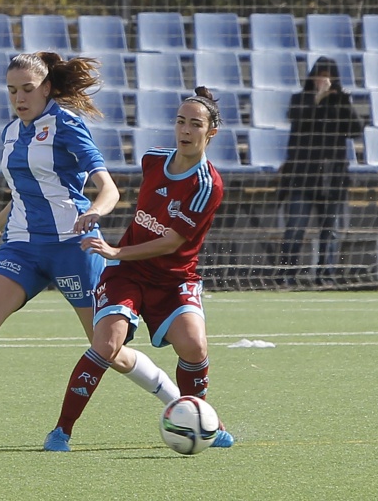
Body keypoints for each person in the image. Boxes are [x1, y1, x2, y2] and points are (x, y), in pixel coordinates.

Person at [0, 52, 179, 450]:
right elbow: (25, 189)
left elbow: (109, 188)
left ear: (47, 88)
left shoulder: (67, 125)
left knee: (108, 349)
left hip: (73, 247)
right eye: (11, 90)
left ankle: (179, 403)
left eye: (27, 89)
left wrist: (93, 211)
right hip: (21, 246)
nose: (19, 98)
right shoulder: (11, 131)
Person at [43, 86, 235, 452]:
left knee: (194, 346)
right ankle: (61, 432)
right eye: (180, 121)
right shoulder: (152, 160)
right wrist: (100, 222)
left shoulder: (207, 186)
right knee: (107, 343)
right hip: (128, 273)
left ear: (211, 133)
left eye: (195, 124)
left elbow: (171, 243)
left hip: (174, 279)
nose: (185, 130)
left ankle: (202, 422)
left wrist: (115, 251)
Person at [277, 56, 364, 287]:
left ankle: (325, 275)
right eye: (319, 74)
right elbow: (298, 121)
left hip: (332, 177)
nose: (323, 80)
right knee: (295, 227)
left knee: (331, 231)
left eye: (328, 75)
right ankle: (286, 275)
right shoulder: (300, 100)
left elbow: (356, 129)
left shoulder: (341, 102)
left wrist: (343, 101)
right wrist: (317, 98)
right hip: (302, 176)